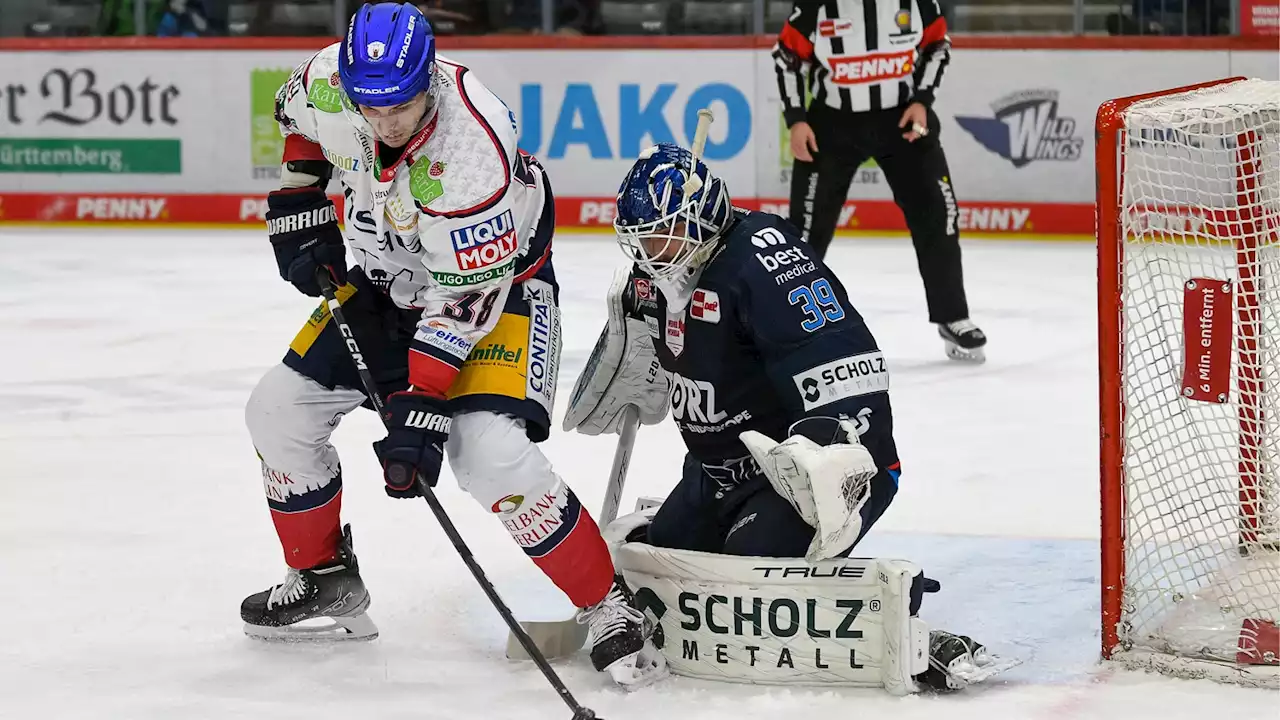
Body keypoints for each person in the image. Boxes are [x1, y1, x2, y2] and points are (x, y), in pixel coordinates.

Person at [238, 2, 664, 689]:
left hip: (496, 296)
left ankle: (608, 605)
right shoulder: (325, 82)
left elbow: (464, 301)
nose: (382, 122)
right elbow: (298, 126)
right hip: (383, 281)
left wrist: (422, 405)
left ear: (428, 81)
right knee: (277, 411)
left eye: (399, 107)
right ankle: (322, 576)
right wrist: (300, 202)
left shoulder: (473, 150)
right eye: (367, 106)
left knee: (487, 455)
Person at [564, 142, 1001, 690]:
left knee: (751, 570)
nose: (648, 250)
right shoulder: (658, 274)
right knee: (661, 559)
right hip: (717, 475)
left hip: (806, 472)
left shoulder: (763, 264)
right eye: (641, 236)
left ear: (703, 219)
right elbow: (649, 353)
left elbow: (840, 363)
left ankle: (902, 622)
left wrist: (824, 459)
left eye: (661, 232)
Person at [772, 0, 987, 362]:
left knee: (939, 212)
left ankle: (953, 315)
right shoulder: (816, 6)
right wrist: (796, 119)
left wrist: (922, 99)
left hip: (902, 119)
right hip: (832, 124)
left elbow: (937, 45)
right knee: (806, 229)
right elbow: (786, 58)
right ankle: (785, 324)